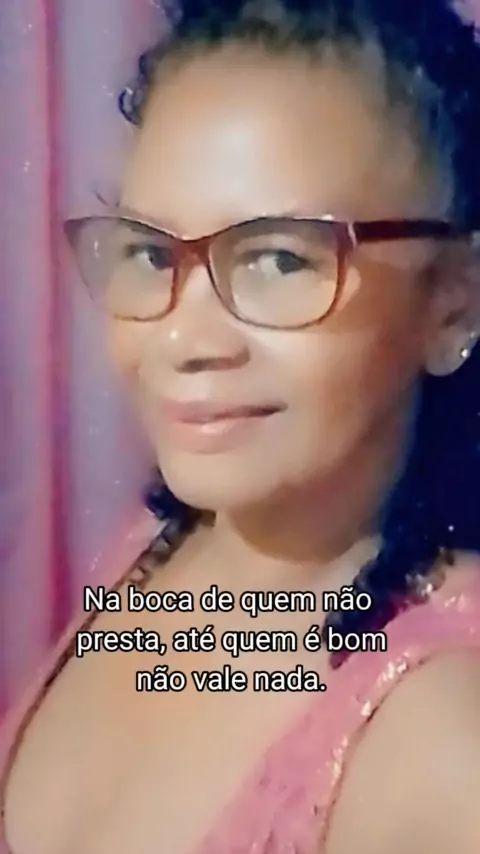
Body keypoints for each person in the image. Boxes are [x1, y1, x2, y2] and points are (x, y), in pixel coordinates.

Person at [2, 0, 480, 850]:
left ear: (454, 303)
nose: (182, 339)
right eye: (151, 252)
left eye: (279, 259)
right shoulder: (158, 546)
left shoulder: (448, 743)